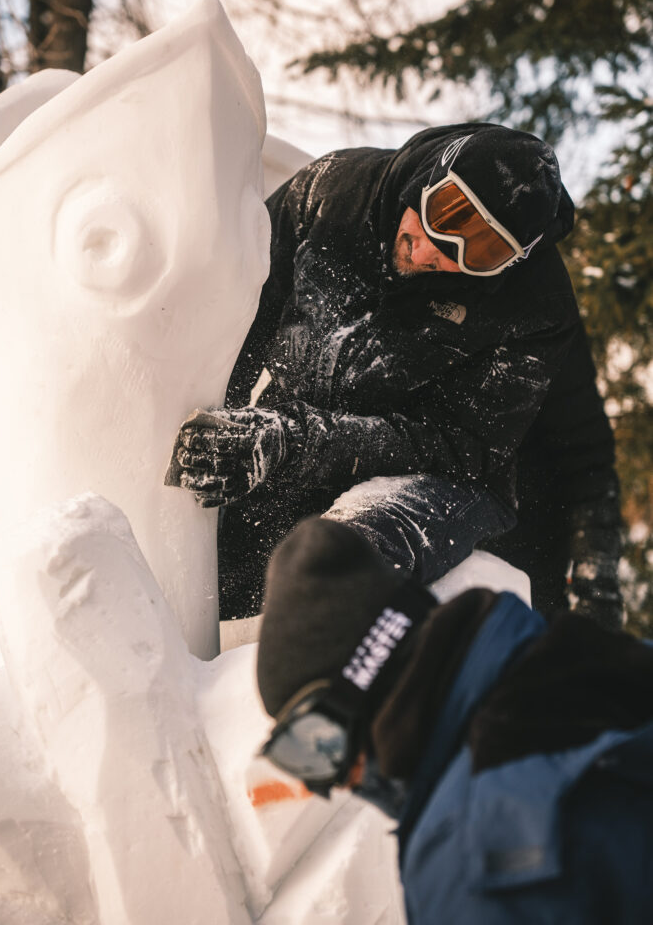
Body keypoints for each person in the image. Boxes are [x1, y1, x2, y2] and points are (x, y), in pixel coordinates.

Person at [165, 123, 622, 625]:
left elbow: (462, 446)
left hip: (436, 476)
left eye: (479, 251)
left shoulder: (535, 307)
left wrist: (294, 442)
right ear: (429, 176)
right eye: (443, 215)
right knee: (218, 582)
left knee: (338, 563)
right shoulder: (333, 193)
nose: (431, 252)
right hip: (296, 431)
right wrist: (224, 420)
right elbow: (233, 315)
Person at [255, 516, 653, 925]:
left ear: (353, 694)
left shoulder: (468, 861)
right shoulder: (603, 665)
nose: (332, 783)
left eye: (314, 744)